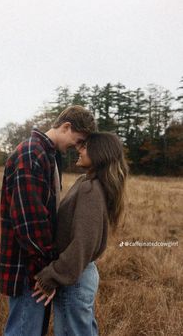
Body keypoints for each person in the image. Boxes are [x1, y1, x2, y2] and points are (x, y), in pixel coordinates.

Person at [0, 105, 96, 336]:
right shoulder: (32, 154)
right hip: (28, 269)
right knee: (23, 332)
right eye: (78, 140)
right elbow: (29, 225)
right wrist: (49, 271)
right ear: (66, 127)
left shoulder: (47, 154)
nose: (77, 147)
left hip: (36, 267)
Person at [32, 132, 128, 336]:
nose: (79, 149)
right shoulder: (88, 183)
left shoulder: (90, 189)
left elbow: (82, 244)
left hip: (73, 277)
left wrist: (51, 275)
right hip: (77, 274)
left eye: (85, 147)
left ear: (99, 153)